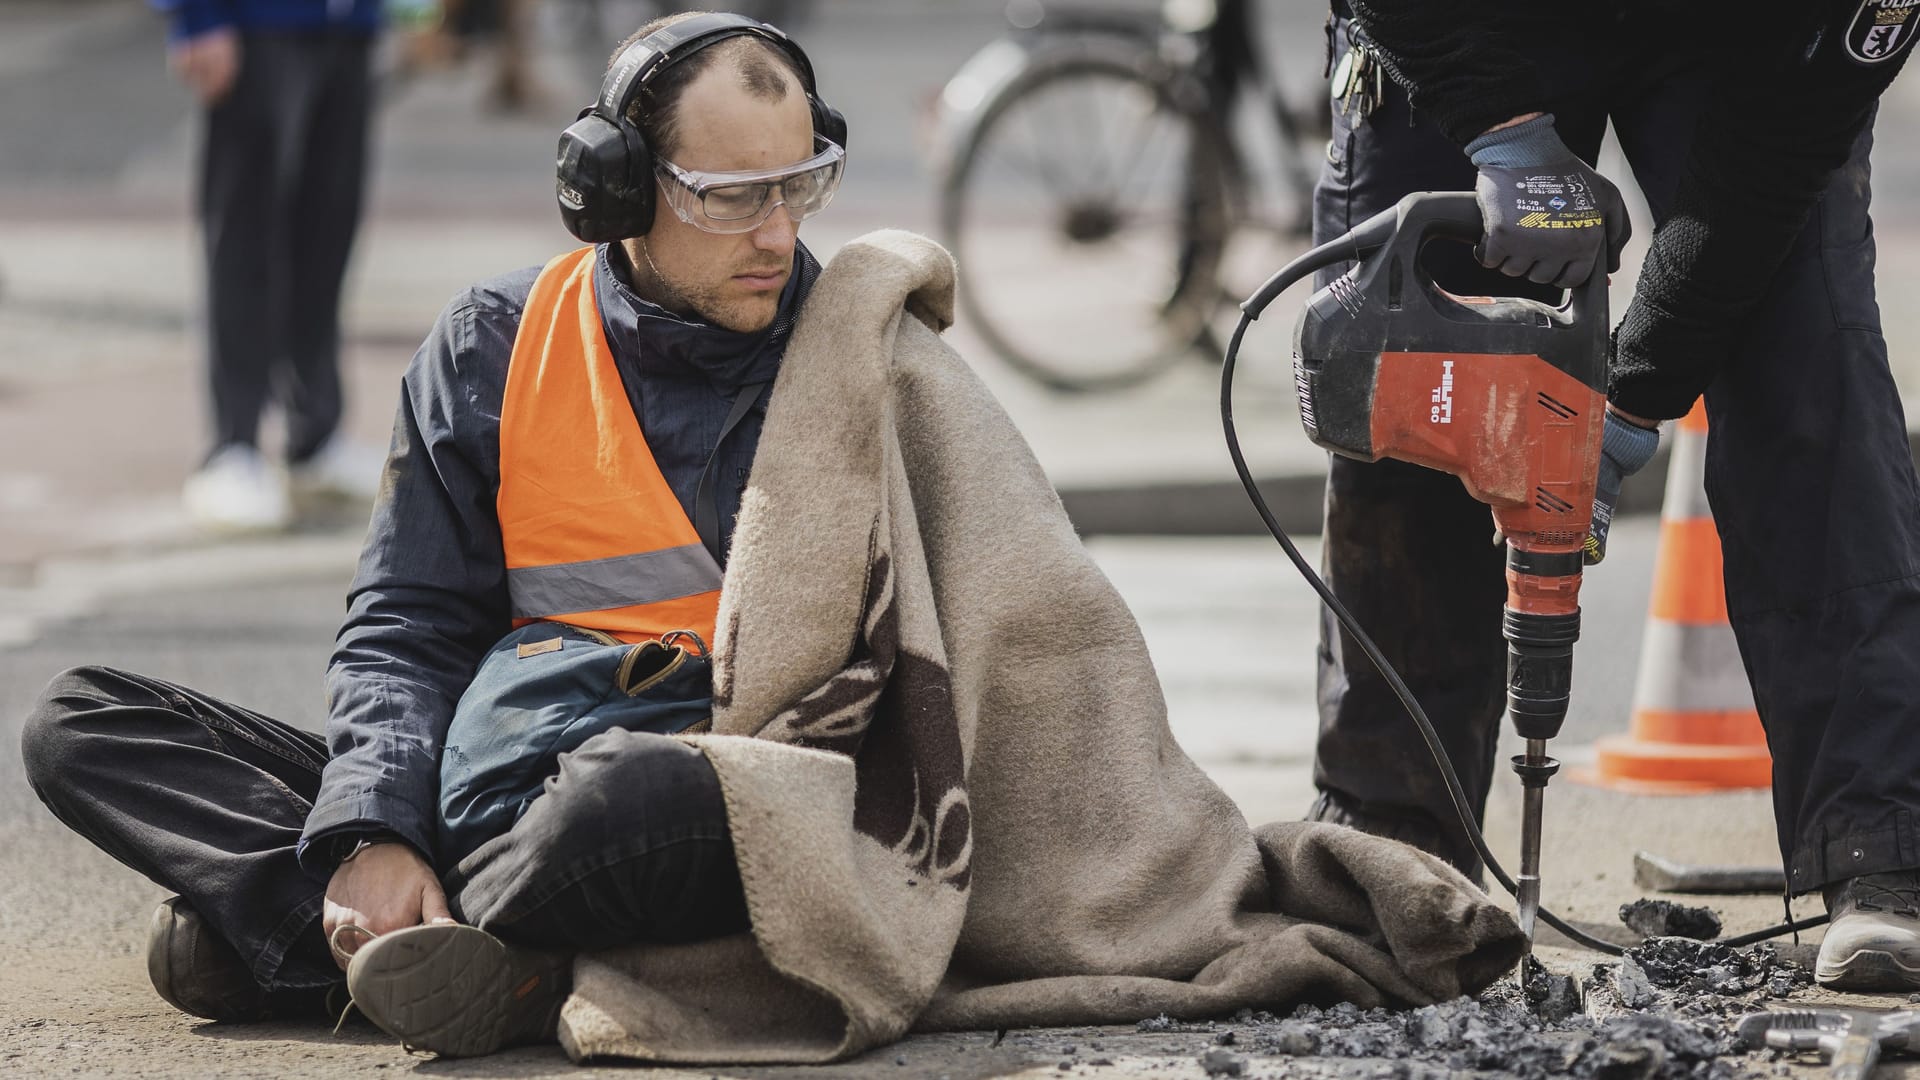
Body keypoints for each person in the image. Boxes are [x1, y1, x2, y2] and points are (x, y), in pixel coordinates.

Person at [22, 11, 1531, 1065]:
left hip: (737, 793)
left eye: (800, 183)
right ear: (613, 193)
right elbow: (405, 627)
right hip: (493, 782)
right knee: (82, 727)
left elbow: (1022, 632)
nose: (775, 232)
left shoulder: (863, 353)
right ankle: (447, 935)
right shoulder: (492, 343)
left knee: (604, 811)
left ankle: (352, 939)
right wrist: (370, 826)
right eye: (731, 195)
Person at [1304, 0, 1920, 990]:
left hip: (1742, 32)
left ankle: (1881, 846)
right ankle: (1392, 840)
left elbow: (1785, 131)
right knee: (1414, 366)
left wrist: (1633, 393)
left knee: (1807, 362)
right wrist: (1495, 121)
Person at [155, 0, 388, 533]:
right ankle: (233, 444)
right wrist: (196, 18)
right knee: (246, 236)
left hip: (349, 25)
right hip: (252, 22)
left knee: (328, 230)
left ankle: (315, 435)